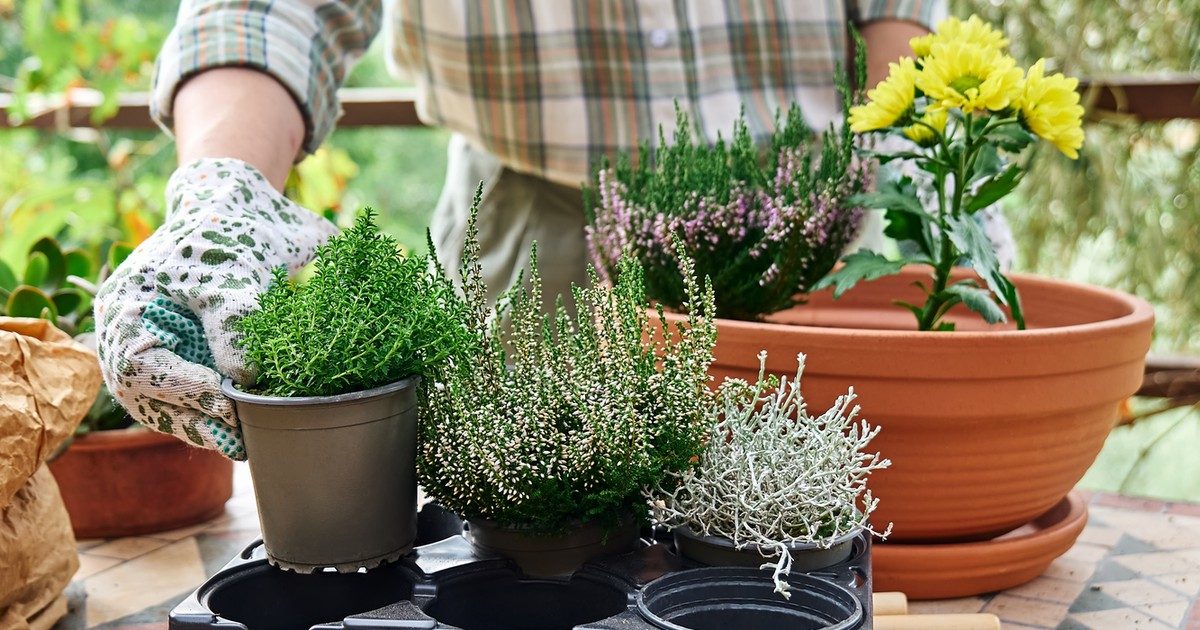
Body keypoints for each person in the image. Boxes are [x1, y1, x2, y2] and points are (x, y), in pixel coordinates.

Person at [95, 1, 944, 460]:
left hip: (819, 220)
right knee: (532, 528)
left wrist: (906, 161)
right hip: (536, 235)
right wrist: (222, 191)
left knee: (849, 519)